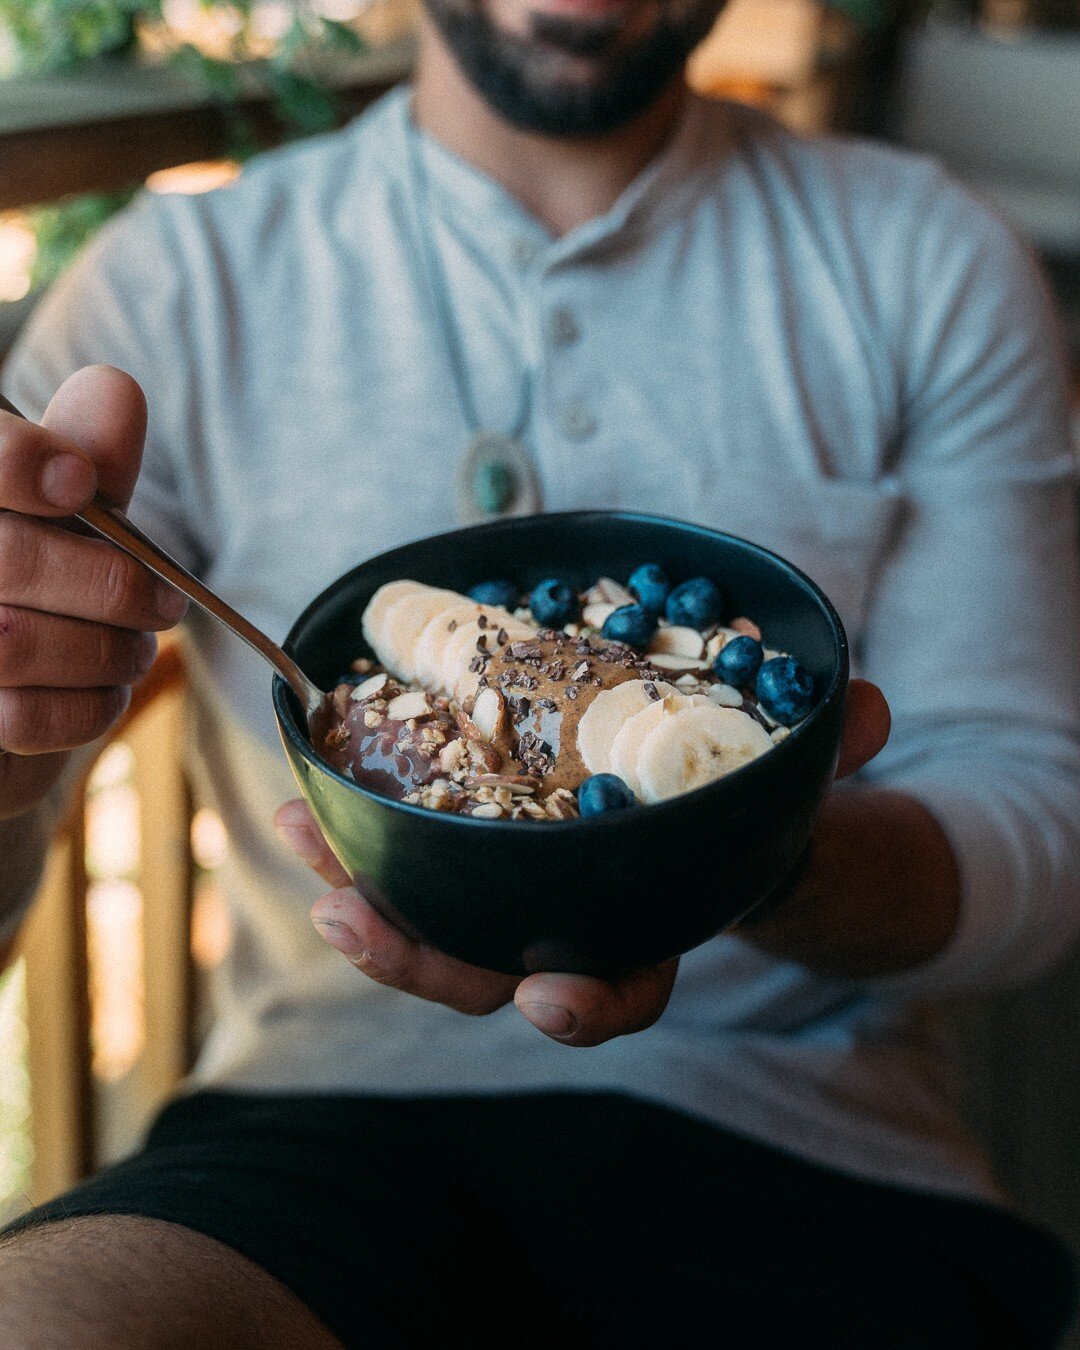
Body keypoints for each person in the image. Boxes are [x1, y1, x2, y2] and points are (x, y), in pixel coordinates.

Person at [0, 0, 1077, 1343]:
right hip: (312, 1129)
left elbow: (1037, 828)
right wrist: (8, 743)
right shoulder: (168, 292)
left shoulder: (927, 259)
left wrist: (749, 849)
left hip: (819, 1152)